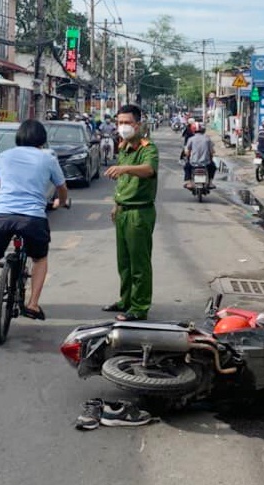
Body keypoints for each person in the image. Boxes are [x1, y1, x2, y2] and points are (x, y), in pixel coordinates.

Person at [0, 120, 68, 317]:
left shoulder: (5, 155)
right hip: (33, 219)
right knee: (39, 259)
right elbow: (62, 188)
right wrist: (61, 202)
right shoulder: (48, 159)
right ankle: (33, 304)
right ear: (42, 138)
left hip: (2, 215)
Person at [102, 104, 159, 322]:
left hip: (140, 212)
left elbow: (149, 169)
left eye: (127, 123)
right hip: (123, 210)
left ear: (138, 124)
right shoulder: (123, 147)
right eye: (120, 123)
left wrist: (125, 169)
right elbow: (123, 182)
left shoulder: (148, 148)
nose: (122, 127)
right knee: (124, 262)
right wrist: (116, 205)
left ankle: (140, 306)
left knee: (139, 263)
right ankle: (125, 300)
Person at [183, 123, 216, 189]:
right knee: (213, 167)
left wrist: (187, 155)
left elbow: (187, 152)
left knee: (186, 167)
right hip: (206, 162)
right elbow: (212, 152)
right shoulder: (207, 139)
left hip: (194, 162)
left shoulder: (191, 139)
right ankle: (210, 182)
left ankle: (189, 183)